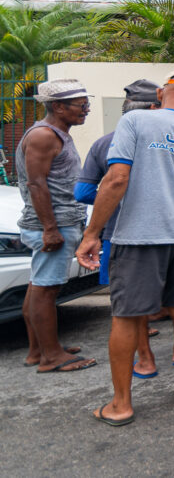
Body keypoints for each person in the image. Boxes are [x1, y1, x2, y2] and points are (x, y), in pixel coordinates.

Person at [75, 69, 174, 425]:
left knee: (126, 316)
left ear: (161, 93)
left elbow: (116, 178)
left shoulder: (135, 120)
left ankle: (121, 404)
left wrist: (92, 234)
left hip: (139, 236)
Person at [74, 79, 163, 378]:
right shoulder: (173, 141)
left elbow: (83, 193)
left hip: (120, 231)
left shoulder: (105, 143)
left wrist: (115, 197)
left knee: (126, 303)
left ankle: (145, 359)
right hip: (169, 231)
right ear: (155, 108)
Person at [16, 79, 95, 373]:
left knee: (39, 286)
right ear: (59, 107)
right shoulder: (43, 136)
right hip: (53, 225)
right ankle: (51, 357)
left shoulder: (55, 133)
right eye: (81, 105)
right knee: (46, 291)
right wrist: (50, 228)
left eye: (87, 104)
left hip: (57, 222)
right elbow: (36, 184)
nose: (86, 109)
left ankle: (38, 350)